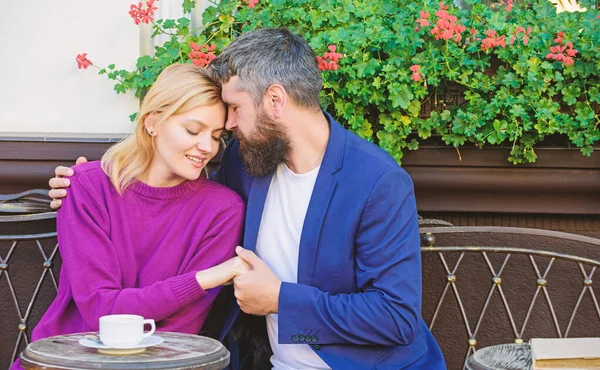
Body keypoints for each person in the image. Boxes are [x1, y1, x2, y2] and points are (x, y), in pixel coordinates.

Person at [49, 28, 446, 369]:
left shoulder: (377, 181)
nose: (228, 127)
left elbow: (395, 317)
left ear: (275, 100)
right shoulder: (246, 162)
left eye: (235, 109)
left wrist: (280, 300)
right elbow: (172, 198)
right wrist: (82, 184)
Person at [14, 64, 249, 370]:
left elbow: (180, 335)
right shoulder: (87, 186)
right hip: (63, 362)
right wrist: (204, 279)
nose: (207, 147)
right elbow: (101, 310)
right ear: (152, 122)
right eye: (193, 130)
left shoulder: (223, 211)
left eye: (217, 136)